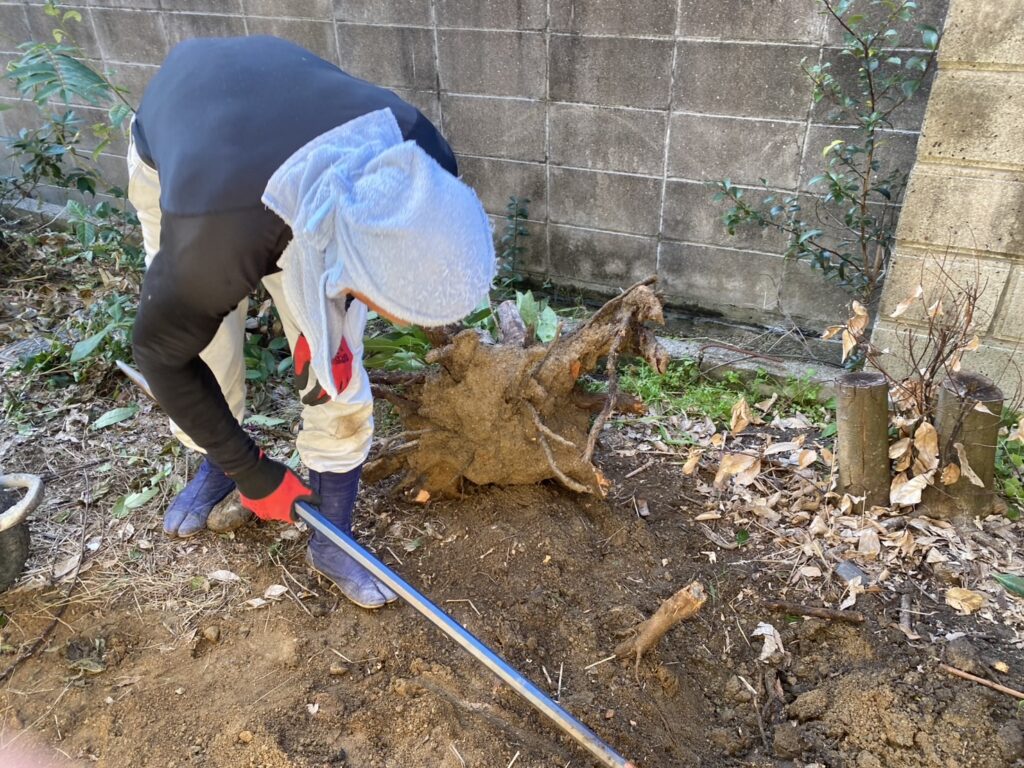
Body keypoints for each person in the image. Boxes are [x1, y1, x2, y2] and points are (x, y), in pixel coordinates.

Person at [128, 36, 495, 609]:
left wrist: (329, 335)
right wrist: (249, 471)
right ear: (350, 262)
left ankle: (333, 538)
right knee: (203, 351)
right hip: (194, 153)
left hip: (277, 130)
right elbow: (159, 355)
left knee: (336, 361)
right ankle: (216, 464)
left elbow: (338, 340)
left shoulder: (423, 158)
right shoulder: (212, 245)